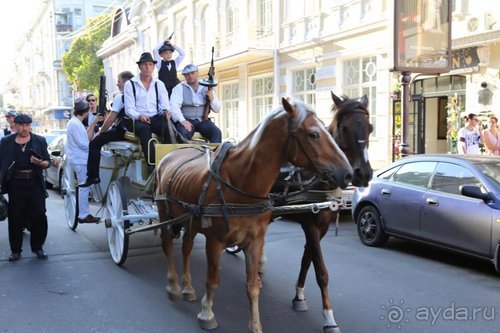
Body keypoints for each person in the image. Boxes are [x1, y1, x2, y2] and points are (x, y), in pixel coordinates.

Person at [0, 114, 50, 261]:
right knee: (15, 217)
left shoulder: (39, 141)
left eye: (27, 125)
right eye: (21, 125)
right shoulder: (6, 142)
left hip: (35, 183)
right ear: (14, 126)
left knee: (39, 215)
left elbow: (47, 162)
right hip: (16, 184)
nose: (25, 128)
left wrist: (40, 163)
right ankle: (15, 250)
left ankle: (38, 247)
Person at [82, 71, 134, 187]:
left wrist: (100, 132)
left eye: (119, 82)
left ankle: (93, 176)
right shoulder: (139, 94)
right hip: (137, 128)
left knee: (94, 143)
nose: (117, 84)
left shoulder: (121, 97)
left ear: (126, 83)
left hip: (123, 129)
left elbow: (111, 119)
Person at [124, 52, 172, 171]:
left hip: (155, 117)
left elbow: (164, 104)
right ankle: (152, 164)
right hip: (137, 119)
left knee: (168, 126)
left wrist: (166, 111)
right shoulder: (130, 84)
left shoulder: (159, 84)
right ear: (139, 67)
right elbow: (129, 109)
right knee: (145, 129)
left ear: (153, 67)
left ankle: (169, 161)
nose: (147, 67)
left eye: (150, 64)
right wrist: (139, 115)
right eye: (145, 64)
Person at [66, 99, 102, 223]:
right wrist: (98, 138)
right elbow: (84, 143)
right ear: (85, 112)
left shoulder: (75, 123)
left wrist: (93, 124)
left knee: (84, 186)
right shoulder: (75, 124)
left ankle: (84, 214)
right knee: (84, 186)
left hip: (80, 158)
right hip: (80, 159)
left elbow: (84, 139)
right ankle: (83, 215)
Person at [170, 64, 222, 143]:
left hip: (203, 121)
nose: (190, 76)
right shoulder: (179, 88)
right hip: (186, 120)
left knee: (216, 132)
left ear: (197, 73)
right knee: (182, 134)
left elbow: (217, 109)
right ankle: (185, 155)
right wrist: (183, 121)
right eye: (187, 74)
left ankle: (215, 155)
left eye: (192, 73)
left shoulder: (206, 87)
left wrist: (212, 99)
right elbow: (174, 106)